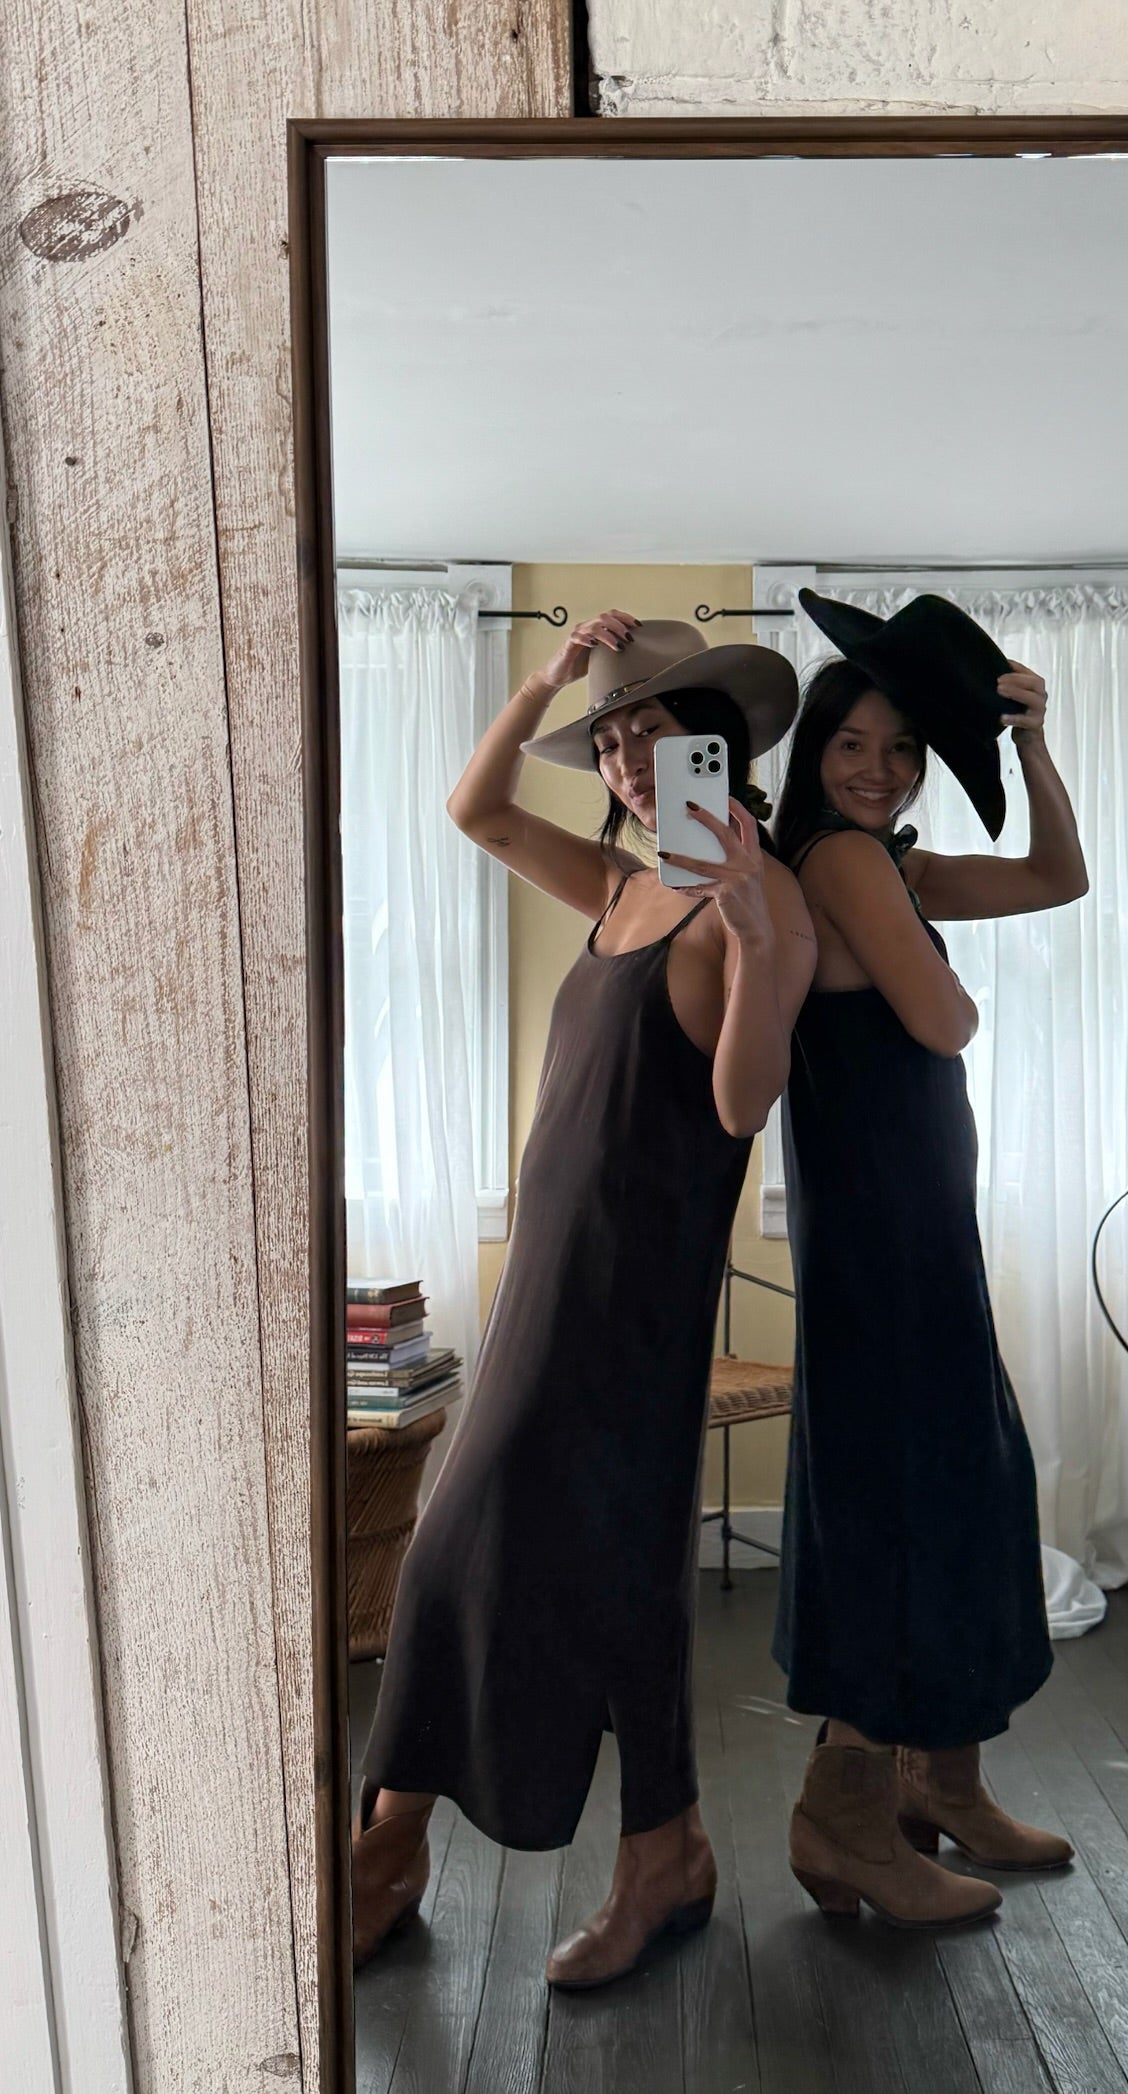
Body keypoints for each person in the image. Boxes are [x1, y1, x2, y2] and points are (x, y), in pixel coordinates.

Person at [351, 612, 816, 1990]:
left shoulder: (760, 897)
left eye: (648, 732)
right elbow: (475, 808)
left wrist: (752, 932)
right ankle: (634, 1849)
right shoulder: (619, 884)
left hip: (634, 1293)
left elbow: (743, 1101)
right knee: (537, 1558)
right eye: (607, 742)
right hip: (554, 1271)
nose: (623, 762)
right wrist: (545, 679)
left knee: (506, 1552)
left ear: (710, 742)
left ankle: (416, 1845)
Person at [771, 590, 1088, 1928]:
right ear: (814, 750)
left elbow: (1060, 877)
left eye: (903, 749)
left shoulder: (885, 864)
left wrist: (1031, 746)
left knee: (962, 1479)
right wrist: (926, 949)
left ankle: (939, 1782)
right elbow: (946, 1021)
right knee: (908, 1493)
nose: (879, 769)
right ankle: (844, 1816)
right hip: (882, 1234)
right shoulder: (844, 861)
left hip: (909, 1220)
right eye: (853, 743)